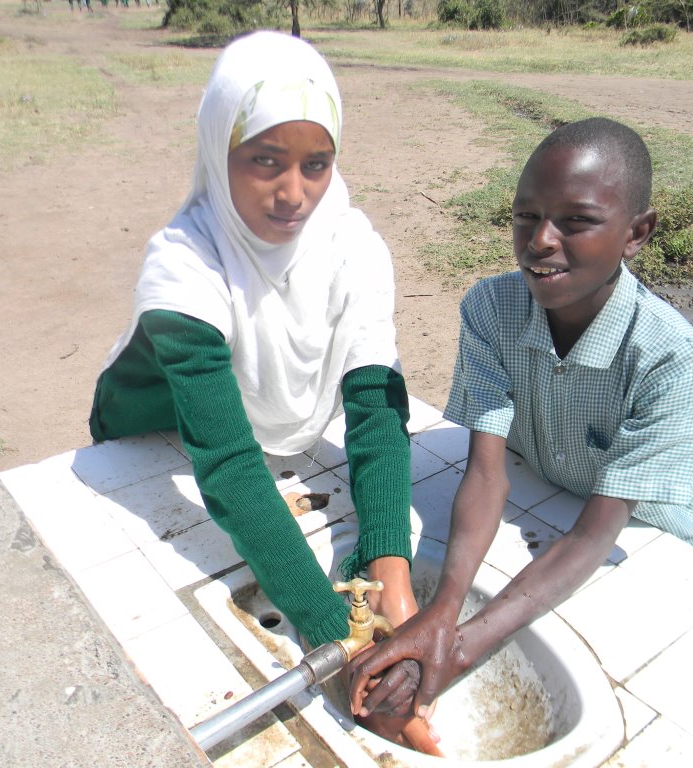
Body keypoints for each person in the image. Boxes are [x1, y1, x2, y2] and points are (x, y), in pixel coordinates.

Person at [348, 117, 693, 722]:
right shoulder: (493, 307)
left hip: (641, 534)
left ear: (636, 233)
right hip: (549, 492)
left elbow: (597, 534)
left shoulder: (672, 361)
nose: (540, 240)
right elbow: (488, 474)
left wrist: (459, 648)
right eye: (525, 216)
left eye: (576, 221)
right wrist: (441, 612)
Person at [89, 31, 419, 677]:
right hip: (154, 432)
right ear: (220, 150)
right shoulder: (184, 265)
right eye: (266, 160)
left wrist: (392, 577)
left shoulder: (353, 246)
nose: (294, 193)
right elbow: (228, 464)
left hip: (247, 435)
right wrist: (334, 634)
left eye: (316, 164)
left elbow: (376, 410)